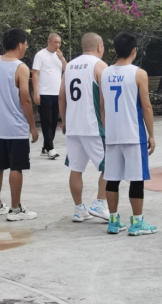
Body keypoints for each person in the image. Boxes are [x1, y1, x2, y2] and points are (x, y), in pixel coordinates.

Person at [100, 32, 156, 236]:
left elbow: (102, 106)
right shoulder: (138, 73)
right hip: (133, 134)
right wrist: (151, 134)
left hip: (112, 134)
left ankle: (113, 221)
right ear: (134, 50)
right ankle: (137, 222)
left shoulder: (105, 73)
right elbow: (146, 105)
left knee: (112, 178)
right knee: (136, 178)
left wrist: (107, 130)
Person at [0, 28, 39, 221]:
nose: (26, 47)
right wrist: (32, 126)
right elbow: (25, 99)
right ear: (19, 44)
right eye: (25, 44)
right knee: (16, 167)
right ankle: (16, 209)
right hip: (16, 126)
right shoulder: (21, 67)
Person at [59, 32, 110, 223]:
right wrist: (107, 123)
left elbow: (61, 95)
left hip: (73, 125)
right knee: (111, 166)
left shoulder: (69, 66)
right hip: (93, 125)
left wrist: (64, 120)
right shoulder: (100, 65)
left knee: (76, 168)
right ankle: (100, 203)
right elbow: (104, 99)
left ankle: (79, 209)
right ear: (99, 47)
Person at [32, 33, 66, 159]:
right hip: (44, 93)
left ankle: (45, 147)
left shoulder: (59, 55)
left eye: (59, 42)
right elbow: (35, 73)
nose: (58, 44)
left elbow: (67, 68)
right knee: (46, 121)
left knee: (53, 122)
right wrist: (36, 92)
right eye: (55, 42)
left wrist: (61, 58)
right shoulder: (40, 55)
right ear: (49, 41)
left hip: (57, 93)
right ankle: (51, 149)